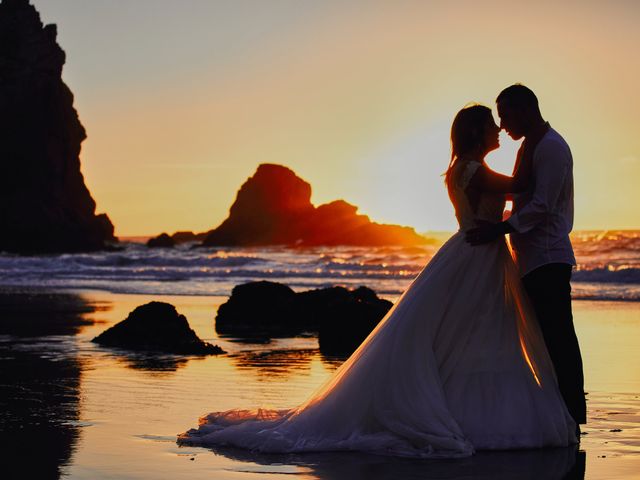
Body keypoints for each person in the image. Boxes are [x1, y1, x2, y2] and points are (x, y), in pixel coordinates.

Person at [177, 104, 577, 458]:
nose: (499, 131)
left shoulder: (467, 168)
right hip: (478, 255)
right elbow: (522, 186)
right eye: (492, 124)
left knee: (476, 335)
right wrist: (534, 140)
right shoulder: (474, 170)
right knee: (477, 334)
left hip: (477, 254)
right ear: (475, 132)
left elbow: (511, 194)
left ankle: (476, 410)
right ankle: (482, 414)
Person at [466, 85, 586, 434]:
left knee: (558, 338)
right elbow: (523, 195)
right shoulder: (532, 145)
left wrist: (499, 229)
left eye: (505, 115)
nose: (502, 125)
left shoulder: (550, 148)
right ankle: (561, 414)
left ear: (524, 109)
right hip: (532, 257)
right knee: (546, 339)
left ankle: (571, 415)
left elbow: (543, 205)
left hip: (547, 257)